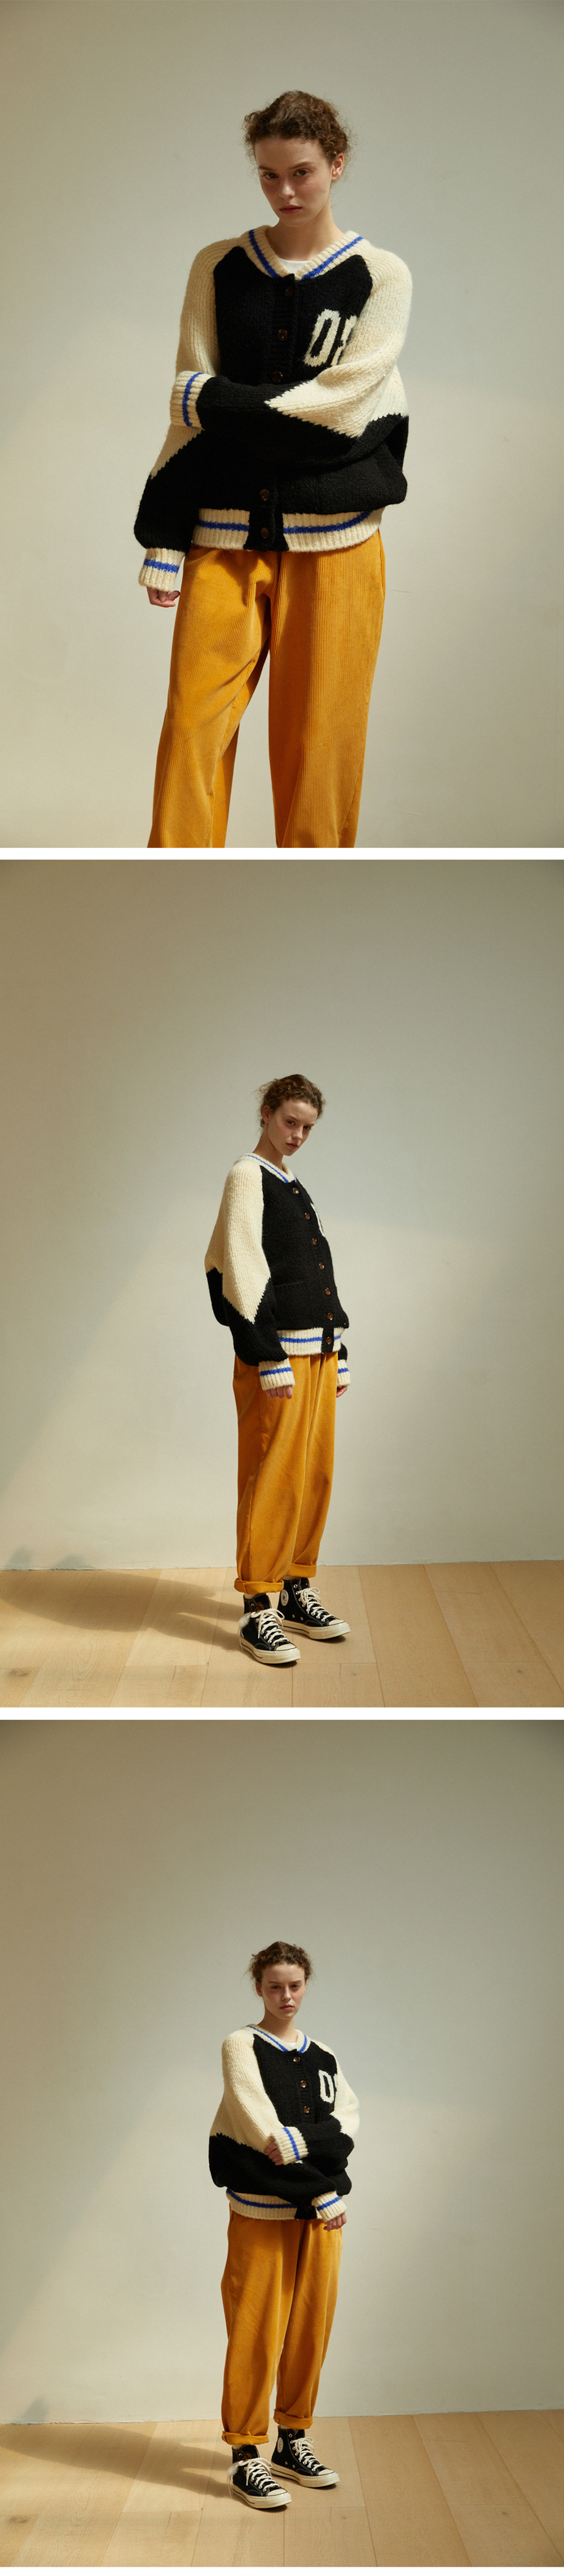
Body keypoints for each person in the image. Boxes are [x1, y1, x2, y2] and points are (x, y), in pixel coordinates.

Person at [134, 87, 412, 848]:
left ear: (336, 164)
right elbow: (188, 411)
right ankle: (176, 891)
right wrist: (164, 534)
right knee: (191, 732)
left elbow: (343, 413)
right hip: (221, 536)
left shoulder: (381, 277)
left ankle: (313, 892)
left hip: (341, 545)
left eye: (301, 172)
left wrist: (218, 400)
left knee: (321, 747)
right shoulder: (219, 266)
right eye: (268, 175)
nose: (285, 190)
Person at [204, 1073, 351, 1666]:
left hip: (317, 1352)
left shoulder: (291, 1182)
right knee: (272, 1476)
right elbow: (235, 1267)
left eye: (308, 1127)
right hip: (278, 1357)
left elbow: (314, 1273)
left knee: (312, 1475)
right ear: (266, 1113)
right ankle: (256, 1606)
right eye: (290, 1121)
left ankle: (294, 1589)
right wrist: (265, 1353)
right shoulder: (248, 1175)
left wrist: (338, 1347)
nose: (297, 1135)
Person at [209, 1940, 359, 2510]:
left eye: (295, 1985)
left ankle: (291, 2441)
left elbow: (347, 2125)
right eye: (275, 1986)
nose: (286, 1995)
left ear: (306, 1985)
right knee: (255, 2330)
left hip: (322, 2217)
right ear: (259, 1988)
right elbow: (258, 2130)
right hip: (265, 2211)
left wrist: (305, 2147)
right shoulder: (241, 2045)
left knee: (310, 2328)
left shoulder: (324, 2055)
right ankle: (245, 2453)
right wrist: (318, 2186)